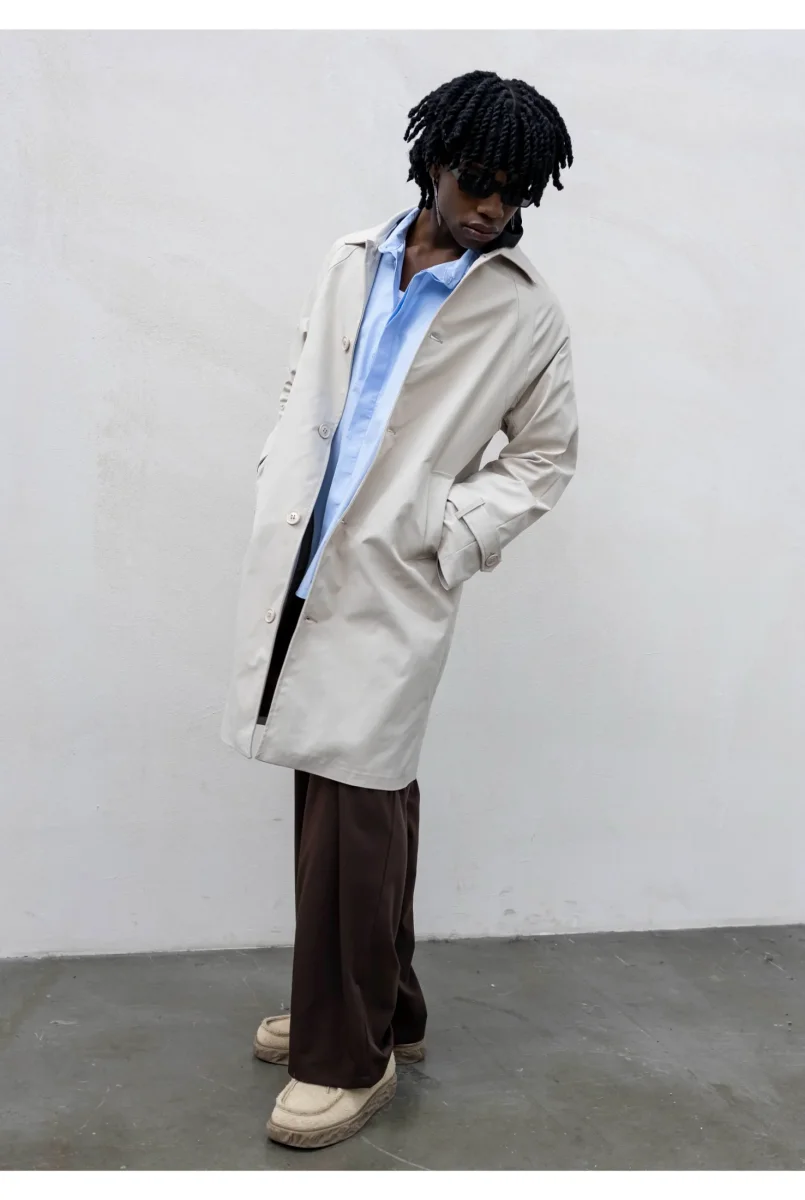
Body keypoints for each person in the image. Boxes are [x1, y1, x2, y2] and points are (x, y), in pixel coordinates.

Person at [221, 69, 578, 1150]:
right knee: (342, 796)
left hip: (392, 573)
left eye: (514, 193)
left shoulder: (524, 312)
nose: (492, 208)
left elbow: (544, 456)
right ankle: (385, 1012)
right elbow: (306, 380)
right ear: (432, 164)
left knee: (357, 810)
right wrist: (279, 469)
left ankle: (349, 1058)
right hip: (306, 553)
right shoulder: (351, 259)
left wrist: (444, 529)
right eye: (478, 181)